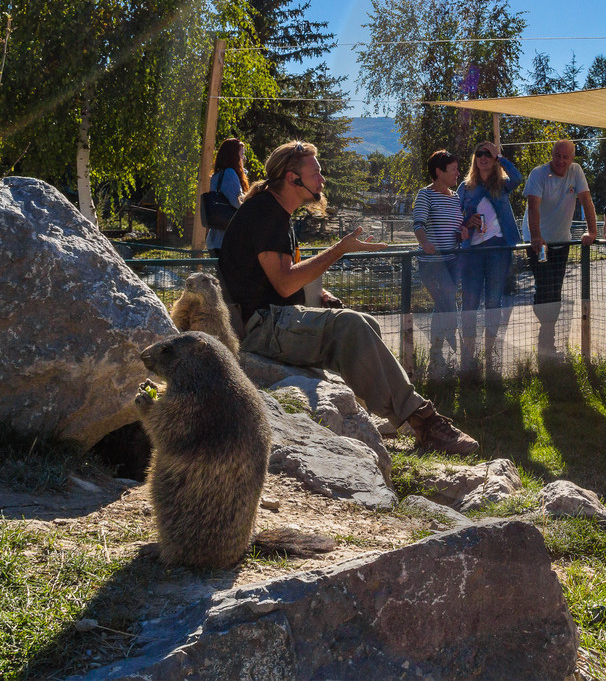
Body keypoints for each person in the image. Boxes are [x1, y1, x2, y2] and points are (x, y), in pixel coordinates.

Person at [218, 141, 477, 454]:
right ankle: (424, 421)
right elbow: (284, 284)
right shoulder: (265, 213)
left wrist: (316, 293)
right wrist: (339, 249)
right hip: (260, 327)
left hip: (272, 318)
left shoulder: (274, 212)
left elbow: (271, 277)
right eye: (316, 173)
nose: (322, 180)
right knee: (352, 325)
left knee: (367, 324)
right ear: (292, 178)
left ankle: (369, 413)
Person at [524, 139, 599, 359]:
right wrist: (536, 236)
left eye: (566, 157)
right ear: (552, 154)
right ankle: (545, 333)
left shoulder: (575, 172)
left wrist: (592, 231)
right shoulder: (538, 174)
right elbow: (533, 205)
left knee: (555, 289)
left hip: (562, 241)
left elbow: (586, 200)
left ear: (572, 158)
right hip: (539, 242)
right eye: (558, 155)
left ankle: (548, 334)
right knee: (545, 287)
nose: (561, 161)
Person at [457, 141, 522, 378]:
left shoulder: (503, 185)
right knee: (470, 304)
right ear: (474, 159)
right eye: (479, 153)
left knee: (494, 301)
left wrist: (500, 157)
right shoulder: (465, 188)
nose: (483, 157)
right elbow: (457, 219)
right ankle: (468, 359)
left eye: (488, 154)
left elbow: (518, 177)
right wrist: (467, 222)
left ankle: (491, 356)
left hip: (498, 250)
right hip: (472, 252)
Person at [413, 150, 465, 369]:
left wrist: (463, 231)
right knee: (447, 305)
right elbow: (418, 224)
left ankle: (437, 354)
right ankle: (445, 347)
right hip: (433, 263)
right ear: (439, 171)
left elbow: (455, 226)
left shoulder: (456, 197)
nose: (457, 173)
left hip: (453, 260)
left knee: (444, 306)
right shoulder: (425, 195)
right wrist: (425, 244)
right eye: (453, 169)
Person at [204, 138, 249, 257]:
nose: (244, 158)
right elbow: (236, 201)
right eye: (242, 154)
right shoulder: (229, 173)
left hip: (214, 240)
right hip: (227, 239)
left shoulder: (216, 175)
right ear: (234, 155)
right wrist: (251, 201)